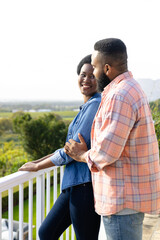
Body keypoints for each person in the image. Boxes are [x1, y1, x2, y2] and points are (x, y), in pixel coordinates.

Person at [64, 38, 160, 240]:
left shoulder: (119, 95)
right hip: (127, 198)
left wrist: (81, 155)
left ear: (106, 68)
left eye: (96, 68)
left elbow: (106, 152)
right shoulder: (130, 88)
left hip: (121, 201)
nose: (94, 73)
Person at [19, 54, 101, 240]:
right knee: (46, 232)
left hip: (84, 186)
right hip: (73, 185)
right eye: (83, 74)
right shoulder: (87, 107)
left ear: (100, 79)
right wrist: (36, 161)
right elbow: (66, 148)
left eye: (92, 75)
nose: (86, 79)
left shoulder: (95, 105)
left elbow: (70, 152)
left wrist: (39, 166)